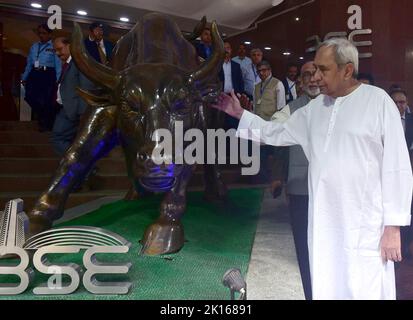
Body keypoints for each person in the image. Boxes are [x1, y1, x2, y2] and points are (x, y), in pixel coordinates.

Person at [212, 38, 413, 300]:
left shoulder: (378, 102)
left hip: (367, 226)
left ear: (347, 70)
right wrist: (241, 115)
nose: (315, 76)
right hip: (324, 224)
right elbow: (277, 132)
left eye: (323, 69)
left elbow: (397, 166)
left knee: (367, 287)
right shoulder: (314, 109)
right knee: (327, 282)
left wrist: (393, 227)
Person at [270, 61, 321, 300]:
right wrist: (278, 177)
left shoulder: (341, 105)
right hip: (302, 190)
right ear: (300, 82)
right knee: (304, 246)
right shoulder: (293, 109)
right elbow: (272, 130)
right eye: (306, 75)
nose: (312, 79)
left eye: (316, 73)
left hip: (335, 192)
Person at [52, 37, 95, 157]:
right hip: (66, 108)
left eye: (59, 49)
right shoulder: (68, 63)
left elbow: (86, 89)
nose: (57, 53)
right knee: (71, 141)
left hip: (73, 110)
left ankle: (82, 163)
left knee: (57, 138)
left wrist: (82, 114)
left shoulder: (79, 62)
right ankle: (81, 167)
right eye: (55, 50)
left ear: (69, 46)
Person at [21, 24, 62, 131]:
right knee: (29, 96)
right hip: (35, 74)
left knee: (46, 100)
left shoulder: (53, 47)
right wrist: (24, 77)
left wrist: (58, 80)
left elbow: (58, 64)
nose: (41, 35)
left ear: (49, 34)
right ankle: (43, 118)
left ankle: (45, 122)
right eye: (39, 33)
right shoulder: (34, 46)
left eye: (44, 33)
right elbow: (29, 63)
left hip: (48, 74)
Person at [219, 42, 244, 129]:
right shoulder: (217, 65)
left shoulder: (236, 65)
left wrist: (239, 94)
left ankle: (232, 138)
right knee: (220, 120)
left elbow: (240, 81)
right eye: (224, 48)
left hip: (233, 96)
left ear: (231, 50)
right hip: (220, 96)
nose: (226, 50)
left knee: (233, 120)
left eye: (228, 48)